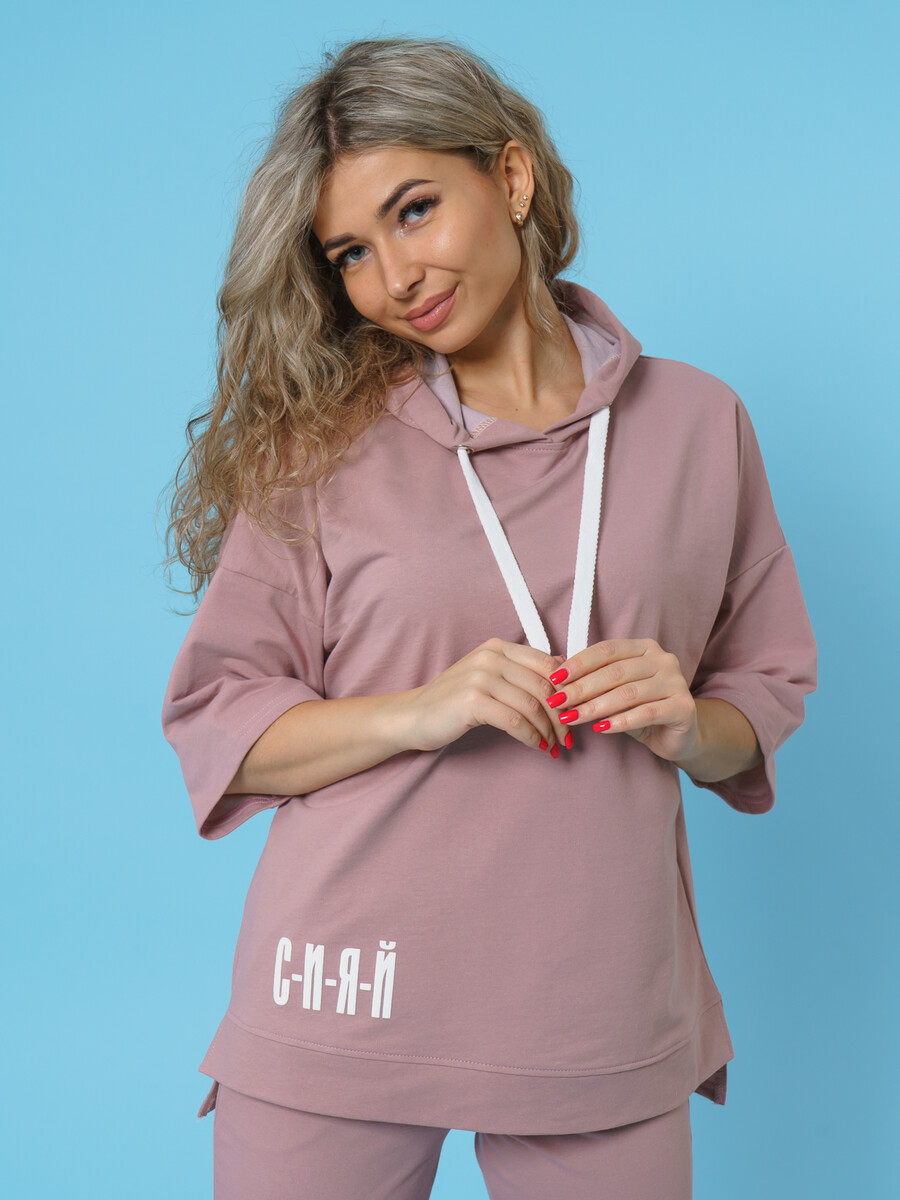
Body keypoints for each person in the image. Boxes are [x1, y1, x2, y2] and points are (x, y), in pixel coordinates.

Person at [159, 33, 818, 1200]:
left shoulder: (698, 424)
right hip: (343, 990)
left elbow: (760, 693)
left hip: (595, 1006)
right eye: (352, 253)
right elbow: (221, 721)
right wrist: (419, 711)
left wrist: (689, 723)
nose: (393, 277)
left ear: (510, 178)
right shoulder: (323, 446)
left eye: (414, 210)